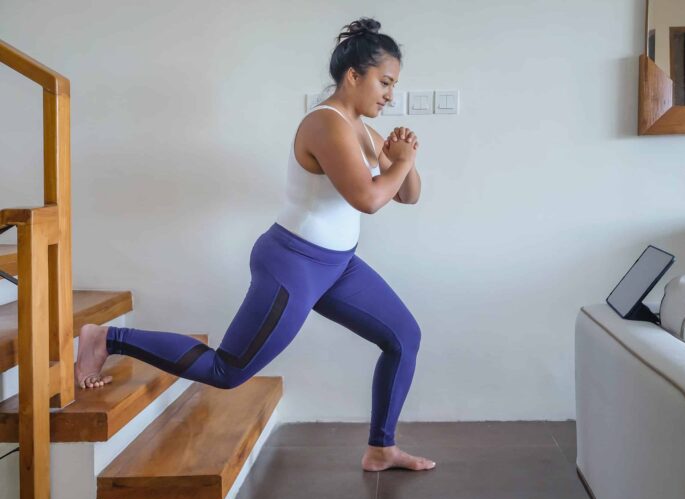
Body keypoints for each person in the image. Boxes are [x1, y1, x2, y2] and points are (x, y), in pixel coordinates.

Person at [75, 17, 435, 472]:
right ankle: (108, 337)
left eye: (394, 85)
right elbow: (368, 198)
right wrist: (399, 161)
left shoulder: (362, 128)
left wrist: (407, 160)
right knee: (228, 371)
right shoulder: (326, 125)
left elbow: (407, 193)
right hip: (293, 265)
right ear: (353, 75)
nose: (389, 94)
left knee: (403, 337)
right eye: (384, 82)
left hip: (339, 267)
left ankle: (381, 448)